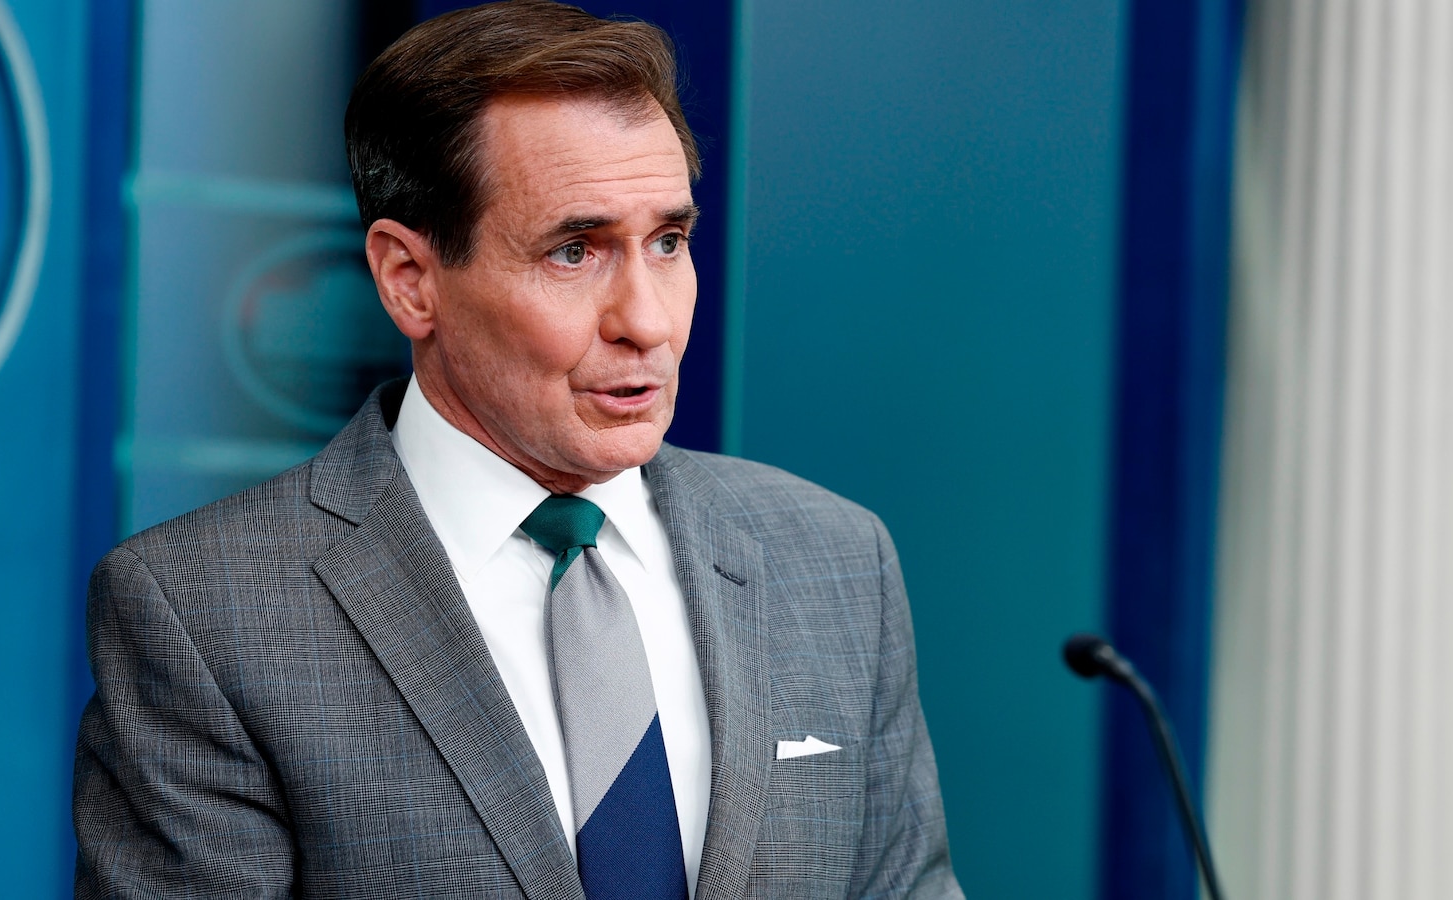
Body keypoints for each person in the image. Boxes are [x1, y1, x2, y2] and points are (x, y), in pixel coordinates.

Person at [72, 2, 964, 897]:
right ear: (410, 281)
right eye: (575, 252)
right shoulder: (202, 613)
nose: (648, 322)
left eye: (668, 242)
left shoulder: (835, 561)